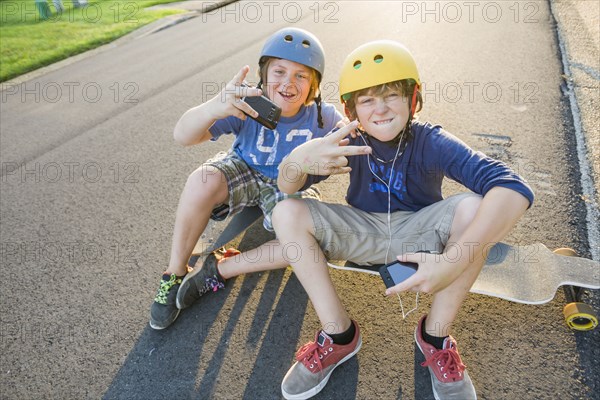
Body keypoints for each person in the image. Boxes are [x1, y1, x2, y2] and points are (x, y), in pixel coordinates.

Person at [272, 40, 534, 400]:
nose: (379, 109)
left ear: (413, 100)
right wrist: (296, 162)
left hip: (420, 234)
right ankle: (339, 335)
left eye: (391, 95)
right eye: (366, 100)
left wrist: (451, 263)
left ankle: (435, 337)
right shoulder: (346, 141)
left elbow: (513, 187)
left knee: (473, 206)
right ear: (352, 110)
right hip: (361, 230)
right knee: (286, 211)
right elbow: (287, 188)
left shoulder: (431, 140)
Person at [149, 28, 344, 330]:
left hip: (287, 185)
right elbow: (183, 136)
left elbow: (352, 144)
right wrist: (213, 107)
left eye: (301, 76)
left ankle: (219, 268)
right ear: (263, 74)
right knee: (202, 180)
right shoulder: (249, 103)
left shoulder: (324, 117)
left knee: (314, 244)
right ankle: (174, 272)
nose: (288, 83)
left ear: (314, 85)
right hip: (244, 167)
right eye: (279, 71)